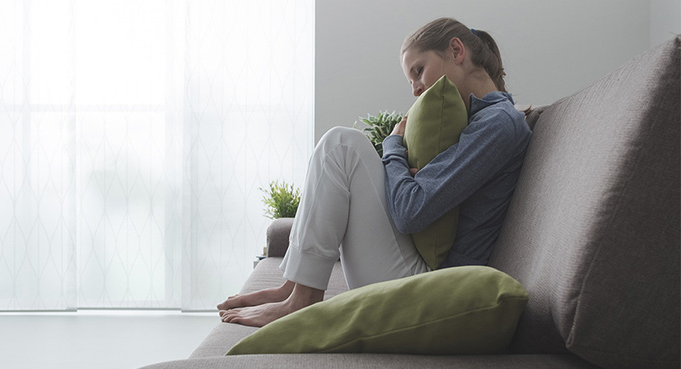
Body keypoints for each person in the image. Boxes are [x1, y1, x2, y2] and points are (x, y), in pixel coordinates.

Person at [218, 18, 532, 327]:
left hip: (435, 289)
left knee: (342, 145)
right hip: (424, 275)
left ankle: (302, 299)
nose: (415, 90)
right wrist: (405, 174)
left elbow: (410, 210)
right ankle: (296, 286)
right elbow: (416, 198)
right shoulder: (482, 122)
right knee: (342, 144)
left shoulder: (498, 125)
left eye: (418, 71)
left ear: (455, 50)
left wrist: (393, 146)